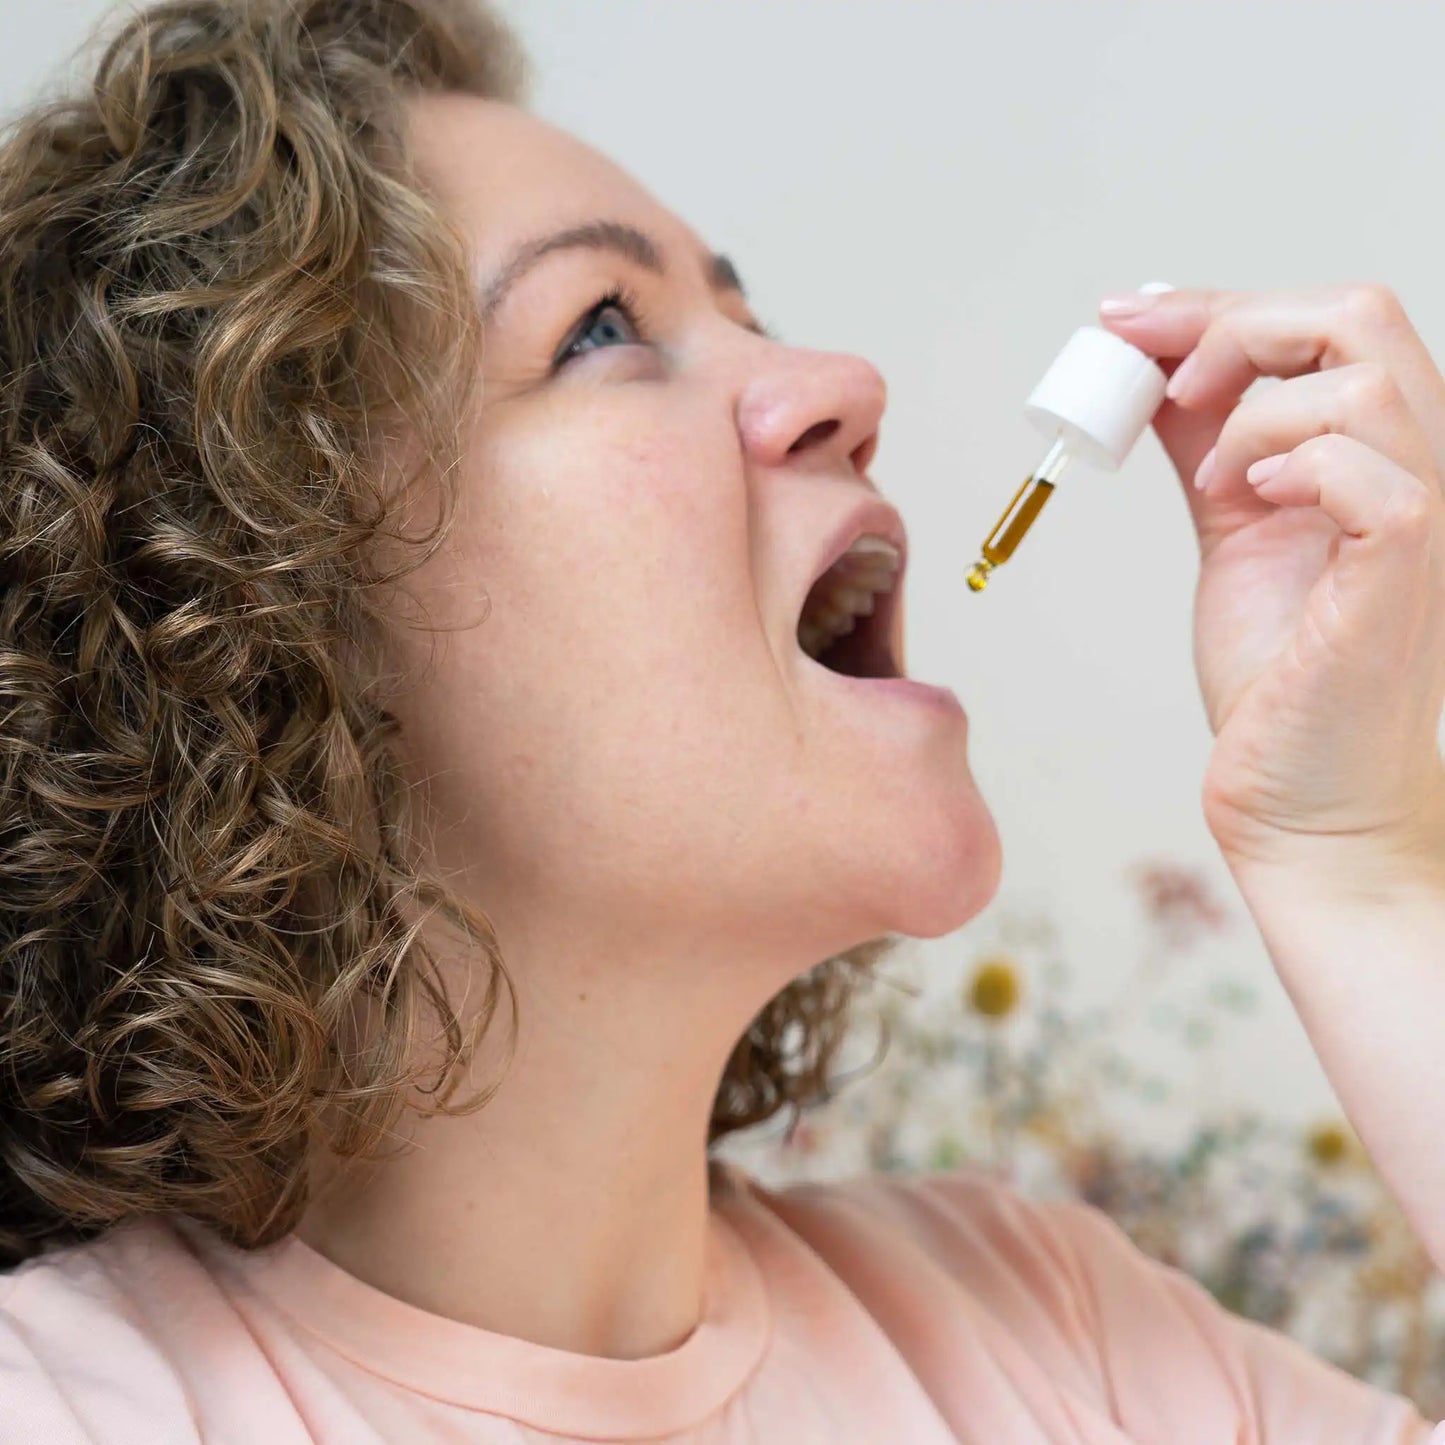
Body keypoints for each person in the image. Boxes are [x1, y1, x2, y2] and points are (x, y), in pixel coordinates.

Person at [3, 0, 1445, 1440]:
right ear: (258, 595)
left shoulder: (1058, 1341)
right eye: (603, 330)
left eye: (750, 311)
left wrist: (1349, 852)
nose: (844, 387)